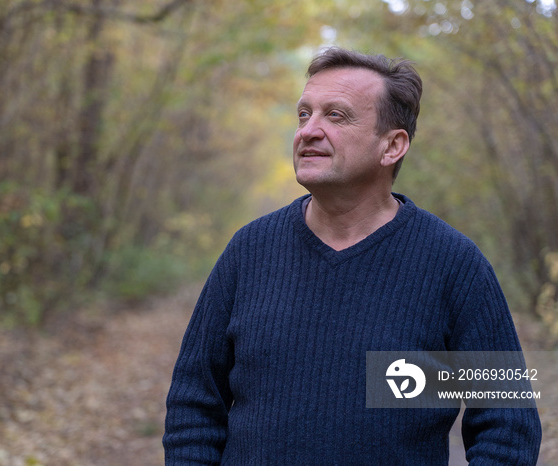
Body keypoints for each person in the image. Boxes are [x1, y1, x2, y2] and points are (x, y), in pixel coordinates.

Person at [163, 47, 542, 464]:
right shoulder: (249, 251)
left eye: (336, 116)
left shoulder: (454, 265)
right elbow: (194, 407)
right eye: (304, 114)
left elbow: (508, 426)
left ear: (392, 146)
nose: (308, 130)